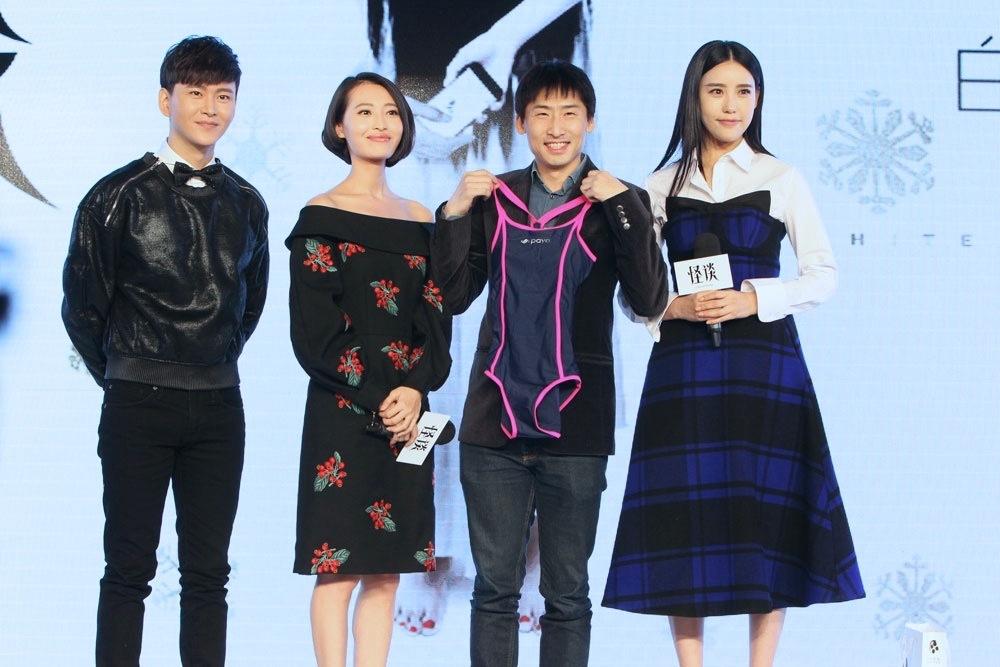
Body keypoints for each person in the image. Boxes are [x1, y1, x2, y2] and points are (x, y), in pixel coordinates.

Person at [602, 40, 865, 667]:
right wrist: (675, 309)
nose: (731, 104)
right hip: (684, 365)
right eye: (716, 90)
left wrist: (753, 298)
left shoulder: (781, 178)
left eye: (744, 91)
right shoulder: (660, 186)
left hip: (764, 363)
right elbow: (633, 292)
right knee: (682, 520)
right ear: (694, 98)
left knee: (765, 514)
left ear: (758, 99)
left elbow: (824, 275)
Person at [431, 60, 668, 667]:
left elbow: (649, 300)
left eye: (569, 113)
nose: (556, 127)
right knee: (494, 591)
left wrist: (624, 207)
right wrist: (454, 213)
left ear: (590, 121)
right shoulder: (494, 197)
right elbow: (452, 296)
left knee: (567, 595)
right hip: (493, 421)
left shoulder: (618, 199)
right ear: (521, 123)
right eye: (542, 113)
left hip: (577, 423)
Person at [61, 36, 268, 666]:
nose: (210, 108)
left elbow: (248, 305)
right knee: (128, 569)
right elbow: (82, 307)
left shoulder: (248, 203)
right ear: (165, 99)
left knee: (209, 575)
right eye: (196, 92)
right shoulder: (115, 196)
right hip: (138, 402)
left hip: (219, 405)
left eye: (223, 95)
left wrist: (209, 363)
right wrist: (127, 374)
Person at [286, 72, 452, 667]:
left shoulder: (421, 218)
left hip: (409, 414)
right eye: (364, 112)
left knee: (387, 571)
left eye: (391, 112)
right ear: (339, 126)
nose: (380, 122)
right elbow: (315, 335)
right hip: (343, 411)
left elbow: (435, 320)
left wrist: (415, 390)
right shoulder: (320, 214)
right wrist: (387, 393)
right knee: (337, 570)